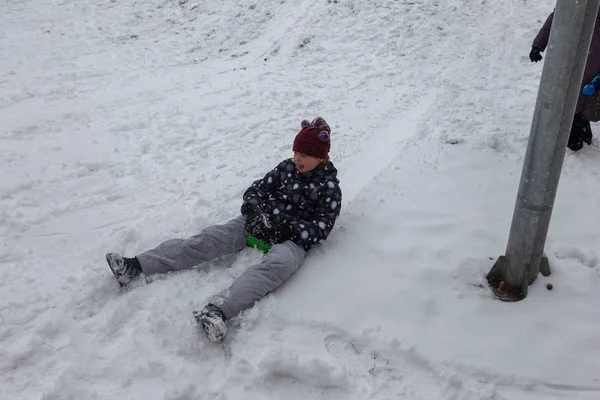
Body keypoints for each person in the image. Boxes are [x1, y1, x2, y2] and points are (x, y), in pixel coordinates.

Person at [105, 117, 342, 342]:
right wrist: (253, 212)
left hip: (290, 241)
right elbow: (257, 190)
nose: (298, 158)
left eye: (306, 155)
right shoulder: (286, 168)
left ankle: (217, 310)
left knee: (275, 268)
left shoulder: (329, 188)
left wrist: (288, 229)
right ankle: (136, 266)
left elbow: (322, 227)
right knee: (207, 240)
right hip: (259, 223)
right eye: (296, 152)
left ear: (322, 157)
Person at [529, 9, 600, 151]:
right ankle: (579, 135)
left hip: (592, 65)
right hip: (573, 59)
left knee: (581, 99)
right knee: (574, 99)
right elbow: (555, 19)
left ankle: (577, 137)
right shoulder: (572, 5)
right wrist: (538, 45)